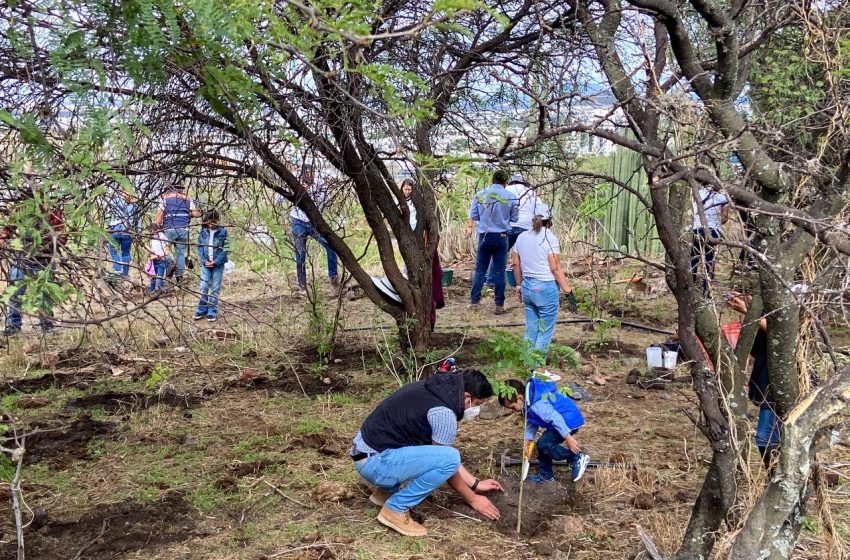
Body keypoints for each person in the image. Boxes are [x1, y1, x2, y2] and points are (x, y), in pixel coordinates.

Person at [351, 369, 503, 536]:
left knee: (443, 454)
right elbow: (447, 462)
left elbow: (436, 455)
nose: (476, 410)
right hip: (375, 464)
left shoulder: (432, 388)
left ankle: (385, 493)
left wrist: (475, 484)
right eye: (477, 404)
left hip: (365, 453)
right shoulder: (444, 413)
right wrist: (473, 498)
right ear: (467, 397)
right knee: (451, 458)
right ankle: (395, 509)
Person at [511, 204, 577, 363]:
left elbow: (515, 264)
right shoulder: (550, 238)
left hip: (527, 286)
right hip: (545, 288)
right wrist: (568, 291)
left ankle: (526, 364)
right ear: (550, 221)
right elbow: (555, 268)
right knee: (545, 331)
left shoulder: (522, 237)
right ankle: (537, 367)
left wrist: (518, 285)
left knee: (531, 328)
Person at [499, 377, 590, 483]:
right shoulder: (529, 401)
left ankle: (576, 458)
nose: (514, 411)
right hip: (562, 422)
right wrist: (527, 441)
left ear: (519, 398)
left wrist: (568, 437)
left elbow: (554, 417)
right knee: (542, 445)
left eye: (513, 407)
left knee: (544, 444)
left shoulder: (537, 404)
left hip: (567, 421)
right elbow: (532, 421)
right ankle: (546, 476)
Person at [2, 196, 67, 335]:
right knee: (15, 291)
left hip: (45, 260)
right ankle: (13, 325)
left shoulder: (53, 212)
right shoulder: (21, 209)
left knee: (46, 293)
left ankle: (47, 324)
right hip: (23, 258)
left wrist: (48, 245)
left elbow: (62, 237)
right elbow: (7, 230)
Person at [728, 294, 779, 468]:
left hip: (777, 390)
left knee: (765, 437)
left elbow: (778, 332)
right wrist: (746, 311)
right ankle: (775, 478)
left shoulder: (790, 326)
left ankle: (776, 478)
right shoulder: (765, 325)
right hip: (766, 387)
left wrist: (749, 311)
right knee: (770, 438)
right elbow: (753, 346)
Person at [468, 170, 519, 314]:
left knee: (480, 271)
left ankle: (474, 302)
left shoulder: (480, 195)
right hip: (502, 236)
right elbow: (515, 218)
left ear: (492, 180)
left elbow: (474, 215)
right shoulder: (511, 197)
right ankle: (499, 305)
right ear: (505, 182)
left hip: (484, 236)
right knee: (499, 271)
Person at [486, 173, 543, 286]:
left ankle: (491, 282)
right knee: (526, 255)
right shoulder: (531, 193)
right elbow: (540, 212)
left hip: (506, 227)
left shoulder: (504, 190)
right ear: (523, 182)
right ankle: (527, 281)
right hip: (526, 228)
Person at [290, 165, 339, 294]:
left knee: (331, 246)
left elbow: (324, 201)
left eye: (312, 173)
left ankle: (334, 280)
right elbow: (281, 199)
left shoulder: (320, 185)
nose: (310, 176)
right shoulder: (295, 185)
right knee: (300, 254)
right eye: (307, 173)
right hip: (298, 221)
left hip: (315, 222)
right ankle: (302, 286)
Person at [154, 182, 200, 284]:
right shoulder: (187, 198)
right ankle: (179, 278)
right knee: (180, 253)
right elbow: (195, 213)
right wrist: (187, 215)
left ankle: (170, 263)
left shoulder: (165, 198)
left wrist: (156, 226)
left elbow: (160, 214)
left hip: (169, 228)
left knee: (161, 248)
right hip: (183, 229)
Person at [691, 185, 729, 287]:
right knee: (709, 258)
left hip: (696, 228)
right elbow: (725, 218)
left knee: (694, 256)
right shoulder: (723, 196)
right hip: (712, 230)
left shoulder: (697, 191)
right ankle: (706, 287)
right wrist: (716, 224)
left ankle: (690, 283)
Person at [194, 210, 228, 321]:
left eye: (214, 222)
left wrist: (216, 261)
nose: (211, 225)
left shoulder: (224, 232)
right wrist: (204, 261)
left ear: (218, 221)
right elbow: (199, 248)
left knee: (215, 288)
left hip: (218, 265)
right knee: (203, 286)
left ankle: (212, 311)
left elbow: (226, 249)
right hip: (206, 264)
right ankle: (201, 309)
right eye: (209, 222)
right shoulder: (203, 232)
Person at [105, 189, 139, 278]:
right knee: (126, 253)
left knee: (113, 250)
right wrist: (137, 233)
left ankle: (117, 269)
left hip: (115, 230)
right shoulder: (134, 206)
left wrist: (108, 225)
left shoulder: (114, 201)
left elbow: (107, 215)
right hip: (128, 232)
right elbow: (137, 222)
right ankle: (125, 274)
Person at [146, 223, 172, 293]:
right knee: (152, 277)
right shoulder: (153, 238)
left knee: (159, 278)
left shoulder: (163, 238)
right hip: (153, 261)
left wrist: (157, 256)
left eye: (153, 232)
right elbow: (152, 249)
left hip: (161, 261)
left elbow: (166, 252)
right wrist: (148, 250)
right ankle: (152, 291)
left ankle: (159, 291)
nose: (152, 235)